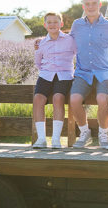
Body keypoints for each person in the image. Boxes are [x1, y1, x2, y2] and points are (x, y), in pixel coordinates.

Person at [68, 0, 108, 148]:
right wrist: (42, 42)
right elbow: (67, 41)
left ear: (99, 5)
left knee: (103, 99)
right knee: (74, 100)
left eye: (94, 3)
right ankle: (85, 133)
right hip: (82, 72)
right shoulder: (77, 24)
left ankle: (103, 135)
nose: (90, 6)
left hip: (104, 72)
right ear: (84, 6)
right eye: (87, 4)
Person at [32, 12, 76, 148]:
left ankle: (56, 139)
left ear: (61, 24)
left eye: (55, 22)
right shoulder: (42, 43)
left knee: (58, 98)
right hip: (46, 75)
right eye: (49, 22)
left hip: (64, 75)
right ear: (45, 25)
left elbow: (78, 54)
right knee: (38, 99)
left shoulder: (70, 40)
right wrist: (47, 69)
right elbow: (38, 62)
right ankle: (41, 139)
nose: (52, 24)